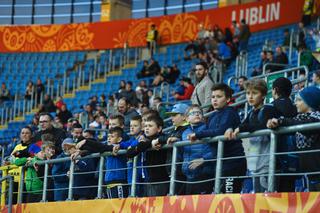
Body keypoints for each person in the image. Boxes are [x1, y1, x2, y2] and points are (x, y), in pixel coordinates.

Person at [188, 84, 246, 193]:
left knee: (230, 197)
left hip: (233, 162)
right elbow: (210, 133)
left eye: (219, 97)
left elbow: (220, 131)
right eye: (213, 97)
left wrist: (198, 134)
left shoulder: (230, 112)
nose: (215, 99)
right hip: (219, 163)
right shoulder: (213, 116)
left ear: (228, 99)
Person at [225, 79, 279, 192]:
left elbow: (261, 125)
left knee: (266, 201)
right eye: (248, 93)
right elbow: (241, 125)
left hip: (267, 165)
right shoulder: (251, 112)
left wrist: (241, 128)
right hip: (255, 165)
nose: (250, 97)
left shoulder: (269, 109)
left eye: (254, 93)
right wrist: (232, 128)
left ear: (263, 95)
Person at [267, 86, 320, 191]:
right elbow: (293, 121)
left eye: (299, 100)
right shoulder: (299, 117)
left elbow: (306, 125)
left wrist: (281, 121)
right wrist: (273, 123)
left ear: (310, 101)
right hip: (308, 171)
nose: (295, 103)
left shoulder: (316, 117)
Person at [127, 115, 169, 196]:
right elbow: (129, 153)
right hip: (149, 180)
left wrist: (156, 141)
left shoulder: (161, 137)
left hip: (160, 180)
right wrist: (150, 143)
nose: (146, 128)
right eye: (145, 126)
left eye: (150, 126)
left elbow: (167, 138)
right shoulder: (145, 141)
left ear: (159, 128)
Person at [104, 127, 129, 198]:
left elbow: (127, 145)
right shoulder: (107, 148)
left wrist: (118, 146)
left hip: (119, 181)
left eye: (112, 136)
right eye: (108, 136)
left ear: (119, 139)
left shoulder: (120, 148)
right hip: (108, 181)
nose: (109, 138)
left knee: (120, 206)